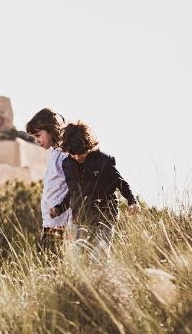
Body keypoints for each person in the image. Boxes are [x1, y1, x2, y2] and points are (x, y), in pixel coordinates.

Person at [49, 121, 139, 256]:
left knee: (99, 255)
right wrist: (59, 208)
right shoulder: (67, 163)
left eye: (81, 153)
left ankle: (104, 276)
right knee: (77, 257)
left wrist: (132, 201)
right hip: (79, 217)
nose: (78, 157)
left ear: (89, 146)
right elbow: (73, 193)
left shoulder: (104, 161)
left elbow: (121, 183)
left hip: (104, 216)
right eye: (73, 154)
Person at [25, 108, 70, 251]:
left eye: (39, 135)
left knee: (51, 265)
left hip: (60, 222)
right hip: (50, 222)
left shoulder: (65, 155)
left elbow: (73, 188)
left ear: (51, 130)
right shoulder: (54, 153)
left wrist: (60, 210)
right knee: (46, 263)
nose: (37, 140)